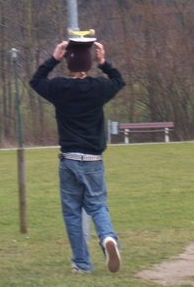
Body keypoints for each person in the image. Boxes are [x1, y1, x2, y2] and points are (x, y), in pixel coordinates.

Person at [30, 39, 125, 274]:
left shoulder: (60, 88)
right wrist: (104, 63)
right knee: (97, 206)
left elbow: (36, 81)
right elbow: (118, 81)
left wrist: (54, 58)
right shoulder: (99, 88)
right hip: (93, 160)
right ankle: (108, 239)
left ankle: (82, 264)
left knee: (72, 212)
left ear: (68, 63)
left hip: (69, 159)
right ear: (89, 63)